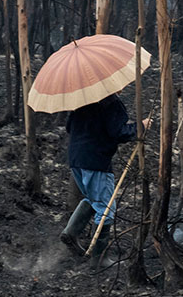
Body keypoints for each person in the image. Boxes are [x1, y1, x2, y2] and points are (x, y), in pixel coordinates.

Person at [59, 94, 150, 264]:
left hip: (76, 159)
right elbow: (119, 132)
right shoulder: (110, 102)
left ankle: (71, 232)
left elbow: (69, 127)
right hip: (96, 160)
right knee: (106, 207)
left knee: (93, 198)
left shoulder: (82, 100)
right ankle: (99, 258)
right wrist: (141, 127)